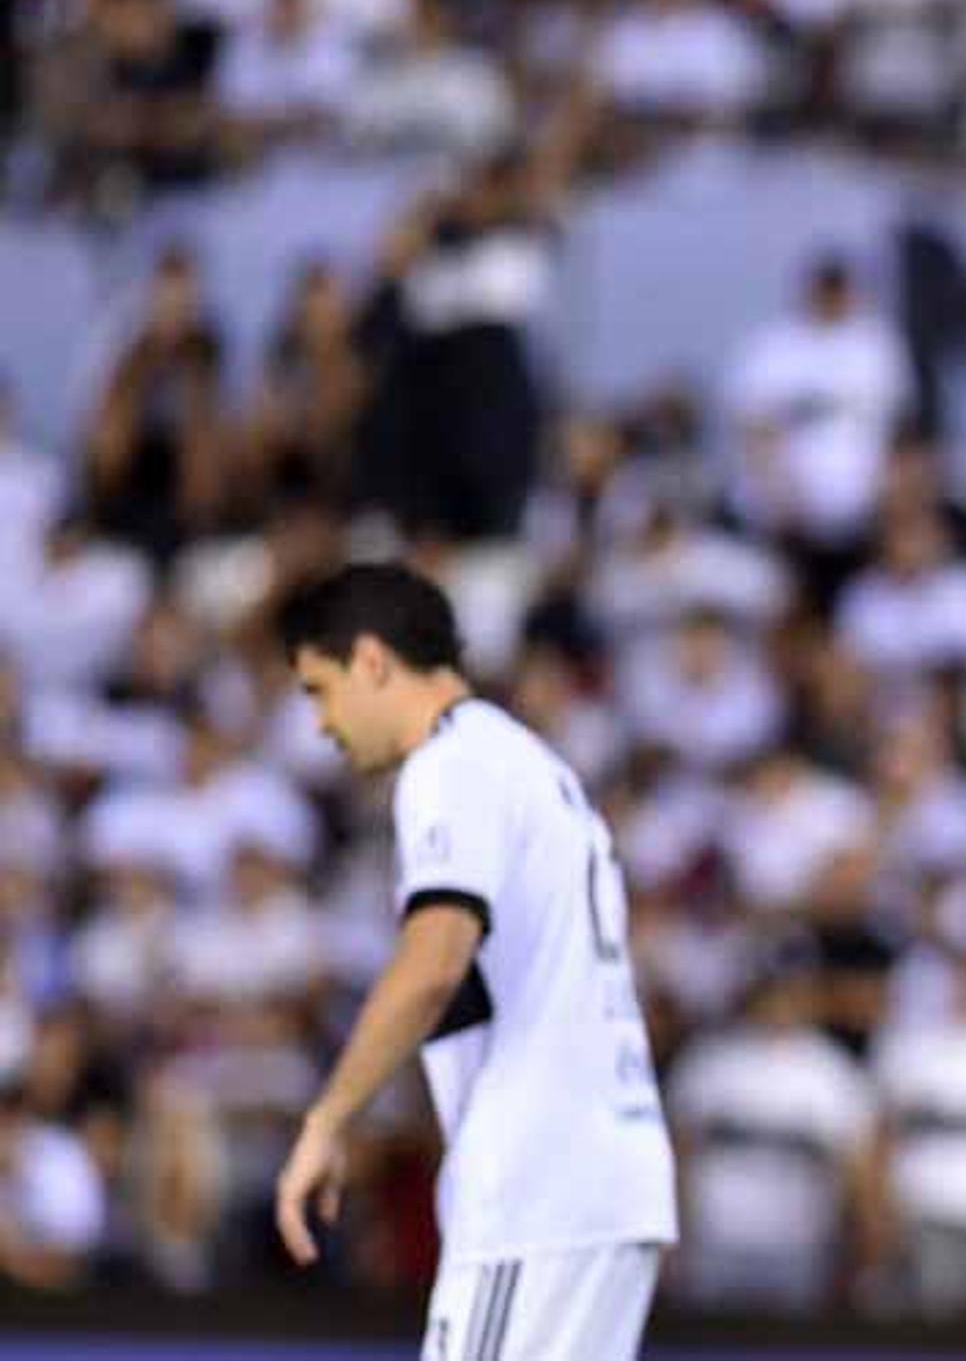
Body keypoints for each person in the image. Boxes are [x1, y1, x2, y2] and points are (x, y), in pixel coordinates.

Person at [272, 563, 675, 1359]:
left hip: (539, 1190)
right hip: (598, 1179)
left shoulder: (451, 767)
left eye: (319, 689)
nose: (320, 722)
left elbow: (434, 962)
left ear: (372, 661)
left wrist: (327, 1119)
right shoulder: (529, 765)